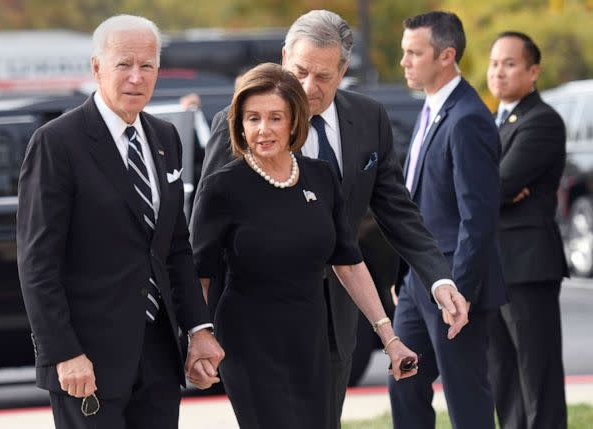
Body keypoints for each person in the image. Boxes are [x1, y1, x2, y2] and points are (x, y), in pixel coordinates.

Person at [195, 10, 469, 427]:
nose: (308, 87)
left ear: (344, 70)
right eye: (300, 70)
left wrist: (438, 277)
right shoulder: (239, 125)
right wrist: (198, 329)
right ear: (285, 57)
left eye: (323, 76)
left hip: (336, 317)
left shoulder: (368, 119)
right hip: (253, 320)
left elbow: (396, 209)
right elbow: (202, 242)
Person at [16, 15, 224, 429]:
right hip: (85, 362)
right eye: (123, 64)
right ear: (96, 67)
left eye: (147, 66)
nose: (136, 77)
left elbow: (175, 248)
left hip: (159, 356)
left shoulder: (166, 138)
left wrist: (199, 329)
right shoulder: (57, 143)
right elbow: (38, 263)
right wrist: (63, 353)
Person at [191, 62, 418, 428]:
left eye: (275, 118)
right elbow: (198, 272)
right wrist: (198, 339)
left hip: (312, 339)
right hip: (249, 343)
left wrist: (389, 338)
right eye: (252, 119)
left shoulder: (322, 176)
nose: (263, 129)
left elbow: (348, 262)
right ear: (239, 124)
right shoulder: (223, 187)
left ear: (295, 121)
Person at [390, 11, 507, 429]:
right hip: (417, 284)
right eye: (404, 52)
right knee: (404, 384)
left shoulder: (468, 117)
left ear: (446, 56)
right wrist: (403, 272)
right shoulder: (432, 109)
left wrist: (463, 292)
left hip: (455, 289)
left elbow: (477, 217)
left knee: (465, 396)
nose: (404, 62)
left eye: (413, 53)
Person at [487, 31, 569, 429]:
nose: (498, 72)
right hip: (492, 267)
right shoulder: (490, 122)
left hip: (527, 265)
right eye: (494, 63)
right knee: (503, 376)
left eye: (510, 63)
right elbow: (473, 186)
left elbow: (495, 186)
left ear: (533, 71)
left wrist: (489, 188)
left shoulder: (542, 121)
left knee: (537, 377)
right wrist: (488, 188)